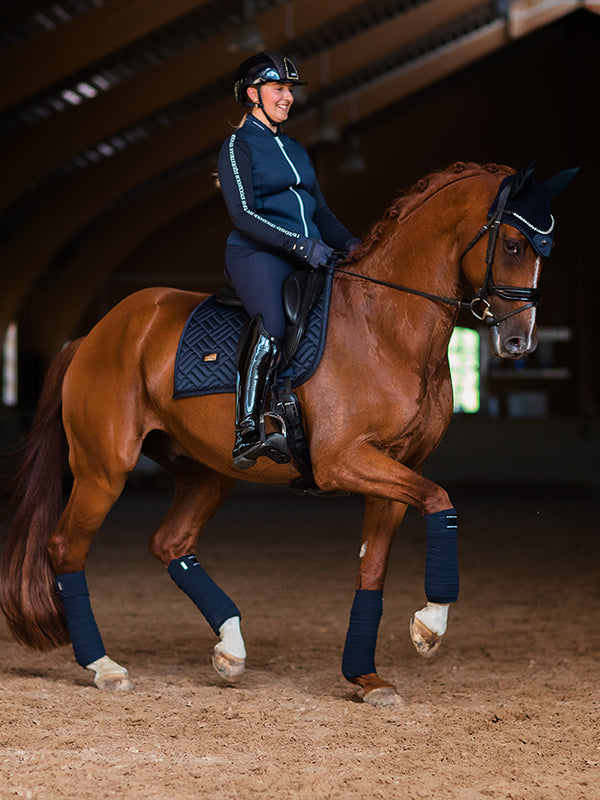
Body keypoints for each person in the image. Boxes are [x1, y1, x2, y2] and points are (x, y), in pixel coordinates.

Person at [217, 51, 360, 470]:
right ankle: (247, 429)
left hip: (311, 250)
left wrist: (353, 245)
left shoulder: (295, 148)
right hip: (256, 252)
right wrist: (300, 247)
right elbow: (242, 214)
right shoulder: (236, 147)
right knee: (273, 323)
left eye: (289, 90)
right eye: (279, 89)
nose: (288, 97)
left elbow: (320, 213)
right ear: (252, 94)